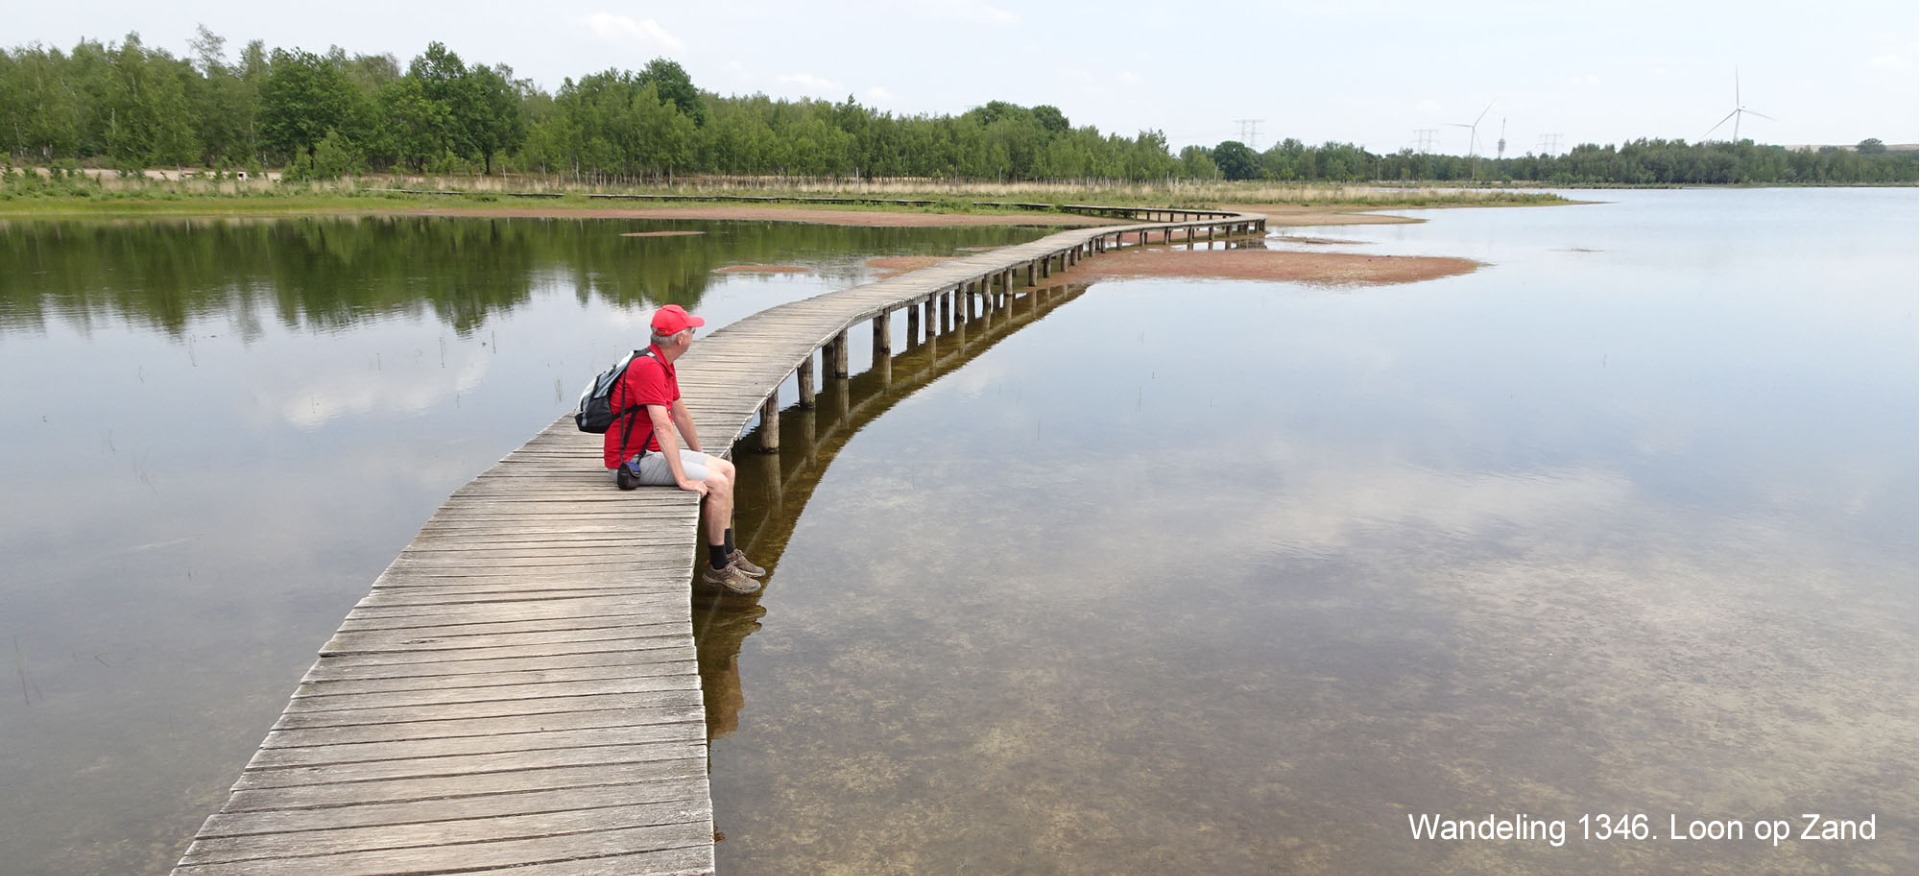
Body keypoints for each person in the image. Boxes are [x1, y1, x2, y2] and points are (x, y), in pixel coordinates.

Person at [604, 304, 766, 594]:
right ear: (680, 339)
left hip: (651, 452)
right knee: (715, 483)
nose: (694, 332)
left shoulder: (662, 362)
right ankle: (717, 567)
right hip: (631, 460)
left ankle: (728, 552)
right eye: (691, 329)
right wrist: (682, 477)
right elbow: (662, 425)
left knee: (725, 468)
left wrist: (701, 455)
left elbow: (680, 414)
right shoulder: (648, 368)